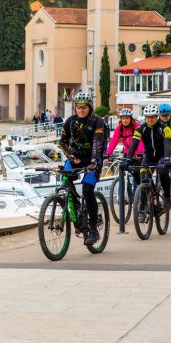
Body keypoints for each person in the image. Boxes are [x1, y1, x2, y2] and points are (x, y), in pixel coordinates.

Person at [59, 90, 106, 246]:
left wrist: (93, 162)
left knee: (87, 189)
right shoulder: (70, 122)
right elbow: (62, 142)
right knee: (65, 179)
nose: (81, 110)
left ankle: (93, 229)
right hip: (76, 157)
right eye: (78, 107)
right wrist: (71, 157)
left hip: (93, 159)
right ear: (75, 108)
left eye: (84, 107)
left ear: (89, 107)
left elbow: (98, 143)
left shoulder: (97, 121)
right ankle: (76, 208)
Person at [124, 104, 171, 209]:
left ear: (157, 116)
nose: (150, 119)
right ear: (145, 117)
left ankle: (168, 197)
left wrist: (167, 158)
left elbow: (167, 144)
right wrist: (128, 160)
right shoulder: (141, 129)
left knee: (163, 171)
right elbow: (133, 145)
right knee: (144, 177)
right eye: (148, 117)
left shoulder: (165, 128)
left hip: (162, 156)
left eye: (152, 117)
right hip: (149, 157)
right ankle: (143, 206)